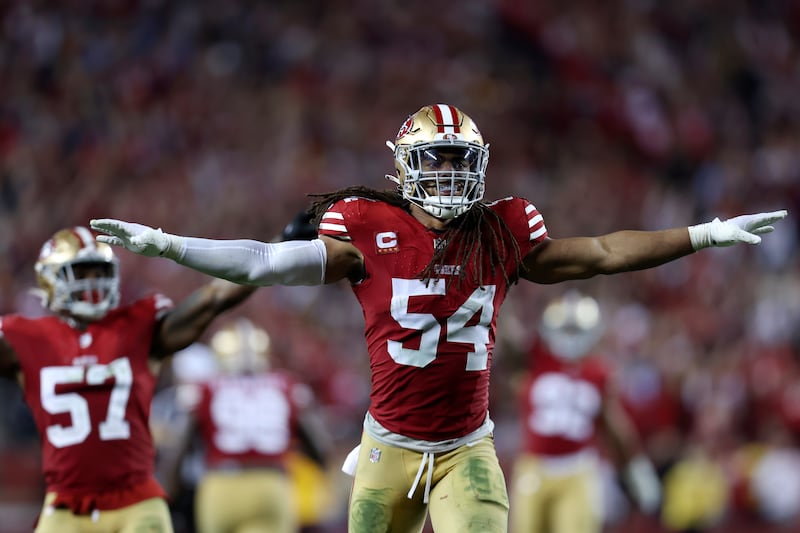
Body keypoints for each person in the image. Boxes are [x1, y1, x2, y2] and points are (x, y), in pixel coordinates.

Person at [90, 103, 788, 533]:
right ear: (404, 167)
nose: (451, 175)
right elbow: (264, 263)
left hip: (467, 449)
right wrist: (171, 243)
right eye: (437, 161)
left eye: (461, 162)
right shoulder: (367, 228)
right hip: (388, 448)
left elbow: (603, 251)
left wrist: (704, 233)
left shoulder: (503, 231)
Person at [0, 226, 257, 532]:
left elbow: (214, 298)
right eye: (83, 273)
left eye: (100, 273)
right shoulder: (26, 338)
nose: (94, 283)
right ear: (51, 277)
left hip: (136, 503)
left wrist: (275, 250)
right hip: (66, 506)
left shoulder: (135, 326)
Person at [509, 290, 660, 533]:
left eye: (577, 330)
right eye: (567, 330)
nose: (571, 338)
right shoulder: (534, 359)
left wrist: (635, 469)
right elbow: (507, 339)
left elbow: (613, 426)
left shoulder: (598, 372)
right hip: (534, 467)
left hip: (577, 468)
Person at [163, 317, 332, 533]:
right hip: (270, 484)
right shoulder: (287, 385)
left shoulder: (204, 388)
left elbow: (180, 448)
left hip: (220, 487)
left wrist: (170, 491)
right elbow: (319, 449)